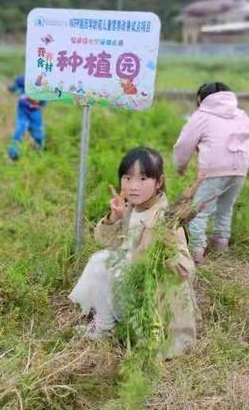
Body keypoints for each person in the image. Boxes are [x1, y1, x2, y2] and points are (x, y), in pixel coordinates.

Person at [69, 147, 196, 357]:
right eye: (127, 178)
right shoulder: (131, 208)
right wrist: (114, 217)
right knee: (99, 261)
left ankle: (114, 324)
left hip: (151, 299)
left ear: (159, 182)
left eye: (143, 179)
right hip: (128, 282)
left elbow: (184, 271)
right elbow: (103, 240)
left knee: (101, 262)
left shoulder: (166, 220)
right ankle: (106, 324)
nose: (133, 187)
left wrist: (166, 247)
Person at [173, 82, 249, 264]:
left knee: (200, 210)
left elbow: (184, 143)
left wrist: (180, 165)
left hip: (214, 169)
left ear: (201, 98)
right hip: (240, 168)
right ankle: (221, 245)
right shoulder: (241, 115)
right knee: (225, 208)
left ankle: (197, 251)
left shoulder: (202, 116)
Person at [7, 75, 46, 160]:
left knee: (38, 131)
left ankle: (38, 150)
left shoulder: (45, 83)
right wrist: (12, 88)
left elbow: (44, 99)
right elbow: (16, 86)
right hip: (23, 110)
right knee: (20, 128)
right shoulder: (26, 79)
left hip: (35, 111)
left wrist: (42, 102)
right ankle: (13, 152)